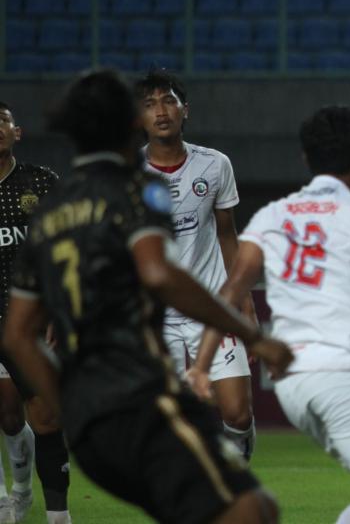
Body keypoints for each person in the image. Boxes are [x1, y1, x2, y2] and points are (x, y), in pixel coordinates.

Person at [3, 70, 291, 523]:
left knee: (194, 503)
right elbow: (158, 273)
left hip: (92, 426)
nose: (159, 111)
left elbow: (18, 335)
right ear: (128, 121)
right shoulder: (140, 186)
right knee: (255, 509)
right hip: (140, 397)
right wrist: (250, 333)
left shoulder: (50, 209)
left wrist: (67, 407)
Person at [191, 106, 350, 524]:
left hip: (294, 385)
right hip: (348, 374)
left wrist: (201, 366)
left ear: (305, 159)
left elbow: (227, 294)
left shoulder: (272, 216)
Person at [135, 71, 257, 460]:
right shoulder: (128, 174)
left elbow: (227, 235)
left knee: (237, 413)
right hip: (157, 314)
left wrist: (246, 300)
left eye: (168, 101)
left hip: (213, 306)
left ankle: (236, 482)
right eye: (150, 104)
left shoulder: (215, 165)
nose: (160, 111)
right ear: (139, 117)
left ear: (184, 110)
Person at [0, 102, 70, 524]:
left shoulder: (42, 183)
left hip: (27, 320)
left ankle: (57, 516)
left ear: (17, 132)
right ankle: (5, 500)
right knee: (6, 415)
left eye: (2, 121)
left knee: (42, 417)